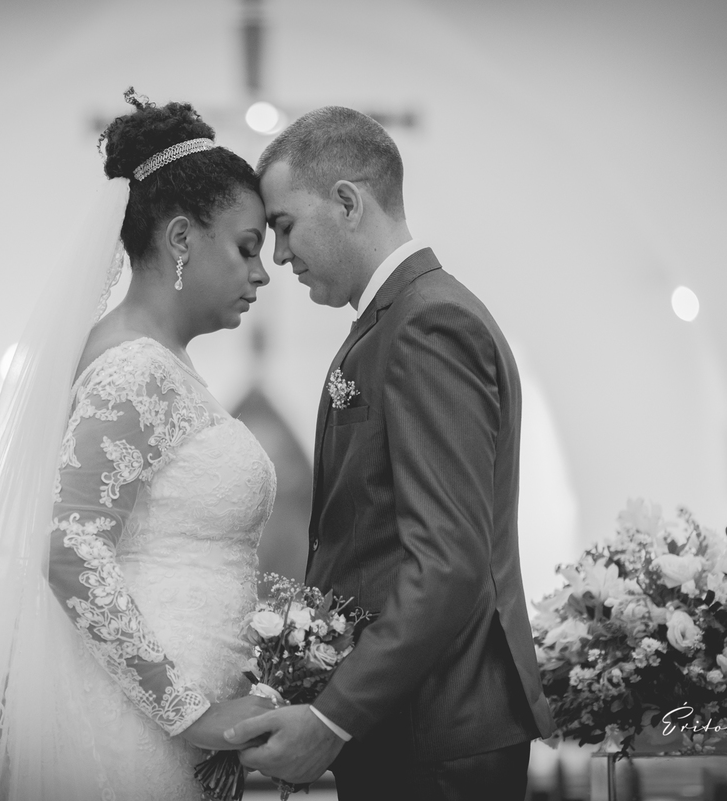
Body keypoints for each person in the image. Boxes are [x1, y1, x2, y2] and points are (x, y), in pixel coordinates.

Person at [0, 91, 276, 801]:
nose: (261, 273)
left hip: (167, 717)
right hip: (140, 732)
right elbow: (70, 549)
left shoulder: (158, 361)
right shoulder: (136, 369)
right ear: (181, 238)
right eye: (247, 248)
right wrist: (189, 712)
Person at [225, 107, 557, 800]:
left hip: (439, 728)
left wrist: (333, 716)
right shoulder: (393, 321)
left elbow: (448, 560)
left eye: (284, 225)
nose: (278, 256)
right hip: (412, 722)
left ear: (348, 202)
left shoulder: (427, 322)